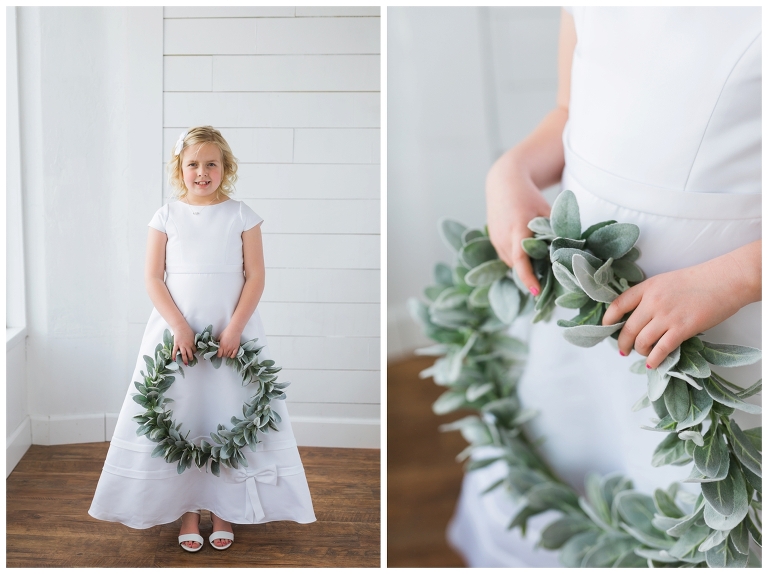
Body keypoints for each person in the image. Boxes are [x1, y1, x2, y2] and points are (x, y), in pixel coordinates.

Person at [449, 7, 761, 567]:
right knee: (568, 445)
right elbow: (569, 114)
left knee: (688, 491)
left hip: (718, 314)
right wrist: (511, 171)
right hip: (579, 300)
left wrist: (733, 278)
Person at [89, 126, 316, 552]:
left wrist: (234, 328)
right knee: (184, 415)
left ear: (225, 168)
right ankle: (188, 511)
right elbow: (153, 278)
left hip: (233, 334)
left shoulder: (242, 216)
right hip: (178, 334)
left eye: (212, 163)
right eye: (193, 163)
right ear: (180, 168)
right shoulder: (165, 217)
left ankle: (225, 508)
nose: (202, 171)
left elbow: (256, 276)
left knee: (227, 414)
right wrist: (178, 326)